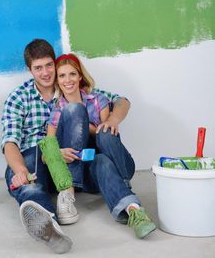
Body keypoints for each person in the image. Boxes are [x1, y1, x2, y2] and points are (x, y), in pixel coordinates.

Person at [1, 39, 134, 254]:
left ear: (55, 64)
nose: (45, 73)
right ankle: (49, 225)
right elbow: (10, 142)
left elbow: (122, 101)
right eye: (38, 68)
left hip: (74, 162)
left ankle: (67, 194)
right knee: (29, 183)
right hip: (38, 157)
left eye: (48, 65)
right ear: (29, 70)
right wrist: (21, 171)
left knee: (74, 111)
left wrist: (112, 120)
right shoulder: (19, 98)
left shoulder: (70, 84)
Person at [46, 53, 156, 239]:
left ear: (80, 76)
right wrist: (59, 151)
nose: (68, 80)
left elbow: (104, 138)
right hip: (89, 172)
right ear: (57, 80)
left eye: (72, 74)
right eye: (62, 76)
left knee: (104, 136)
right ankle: (134, 211)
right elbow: (47, 150)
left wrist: (89, 124)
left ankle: (123, 187)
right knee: (101, 160)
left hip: (118, 162)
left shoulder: (97, 100)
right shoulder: (58, 111)